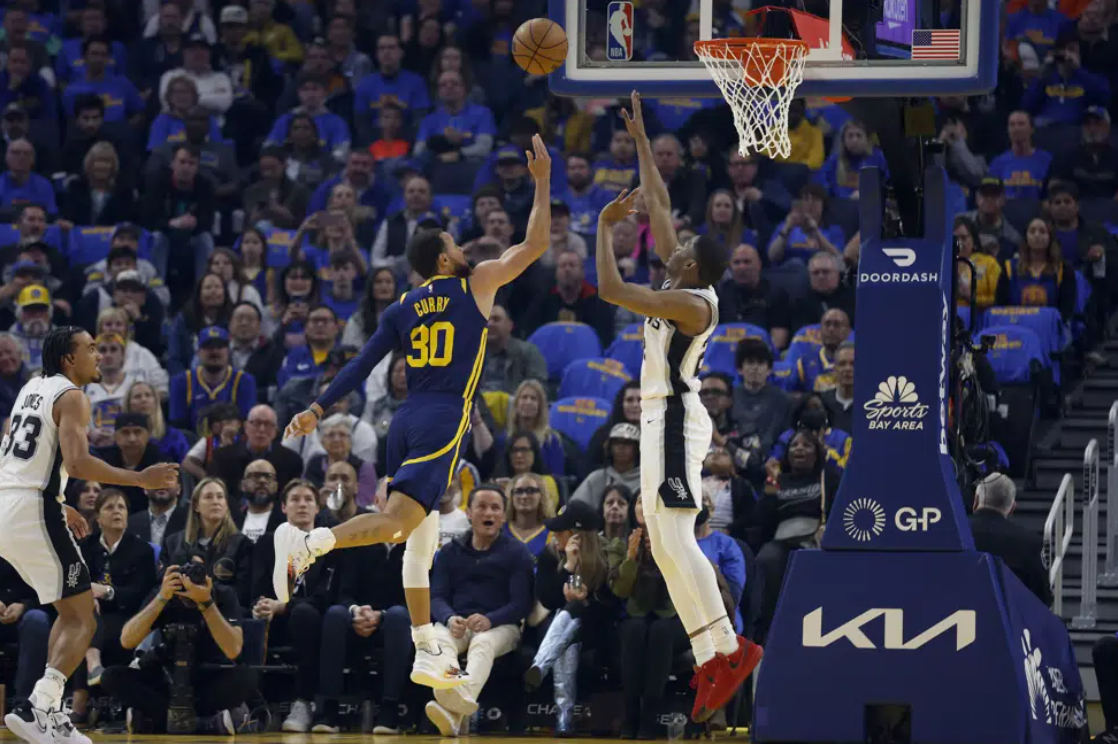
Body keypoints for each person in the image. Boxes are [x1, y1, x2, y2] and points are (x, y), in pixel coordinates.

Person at [277, 134, 553, 692]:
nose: (463, 245)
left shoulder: (402, 306)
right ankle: (311, 542)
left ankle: (427, 646)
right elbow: (535, 243)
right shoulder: (476, 283)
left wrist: (316, 408)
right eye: (454, 242)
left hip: (403, 420)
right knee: (401, 524)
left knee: (419, 541)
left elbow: (361, 365)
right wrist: (543, 182)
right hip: (444, 417)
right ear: (445, 258)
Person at [595, 92, 762, 724]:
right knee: (664, 547)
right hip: (659, 418)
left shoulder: (690, 303)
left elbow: (610, 287)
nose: (671, 242)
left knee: (676, 539)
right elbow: (660, 202)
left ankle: (731, 648)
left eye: (681, 246)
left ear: (690, 264)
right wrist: (642, 141)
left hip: (674, 419)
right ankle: (711, 656)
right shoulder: (681, 277)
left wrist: (605, 227)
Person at [0, 326, 178, 744]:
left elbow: (19, 458)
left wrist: (56, 501)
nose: (98, 356)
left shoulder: (30, 388)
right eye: (91, 349)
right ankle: (40, 706)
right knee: (84, 616)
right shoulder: (73, 396)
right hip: (32, 508)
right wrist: (140, 478)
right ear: (69, 359)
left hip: (10, 504)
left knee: (71, 611)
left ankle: (47, 711)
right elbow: (78, 463)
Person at [423, 485, 533, 736]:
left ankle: (454, 708)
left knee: (482, 643)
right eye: (482, 507)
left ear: (503, 516)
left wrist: (490, 619)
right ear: (469, 513)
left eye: (495, 508)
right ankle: (455, 716)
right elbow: (436, 596)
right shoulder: (449, 552)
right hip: (458, 622)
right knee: (438, 641)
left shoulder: (517, 553)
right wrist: (449, 618)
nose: (489, 513)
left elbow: (521, 604)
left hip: (501, 626)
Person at [969, 473, 1052, 606]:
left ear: (976, 501)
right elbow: (1043, 598)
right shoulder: (1030, 543)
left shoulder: (953, 533)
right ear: (1013, 508)